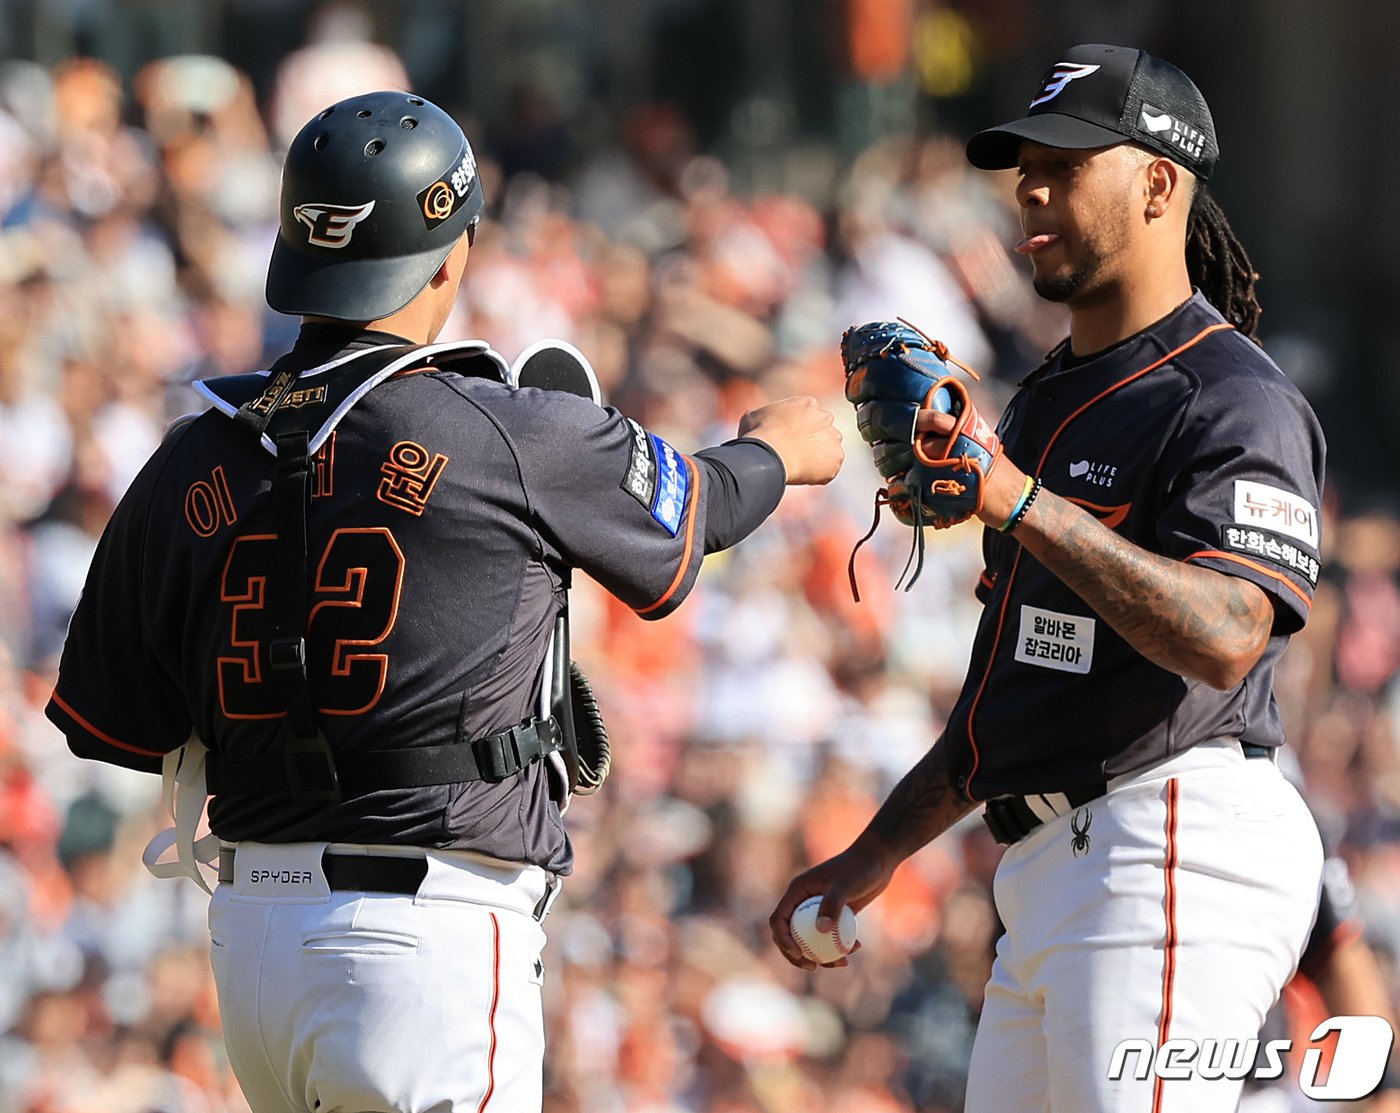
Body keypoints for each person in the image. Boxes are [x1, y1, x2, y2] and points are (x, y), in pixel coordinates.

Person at [45, 90, 843, 1113]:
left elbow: (112, 725)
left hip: (250, 947)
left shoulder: (190, 453)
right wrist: (781, 447)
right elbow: (705, 508)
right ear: (451, 254)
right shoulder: (509, 430)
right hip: (424, 941)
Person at [771, 43, 1328, 1113]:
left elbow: (1226, 633)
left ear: (1158, 183)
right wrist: (874, 853)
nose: (1028, 185)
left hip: (1168, 842)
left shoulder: (1228, 396)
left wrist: (1019, 501)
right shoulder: (1040, 405)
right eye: (1022, 163)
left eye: (1066, 162)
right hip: (1054, 869)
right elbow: (1012, 687)